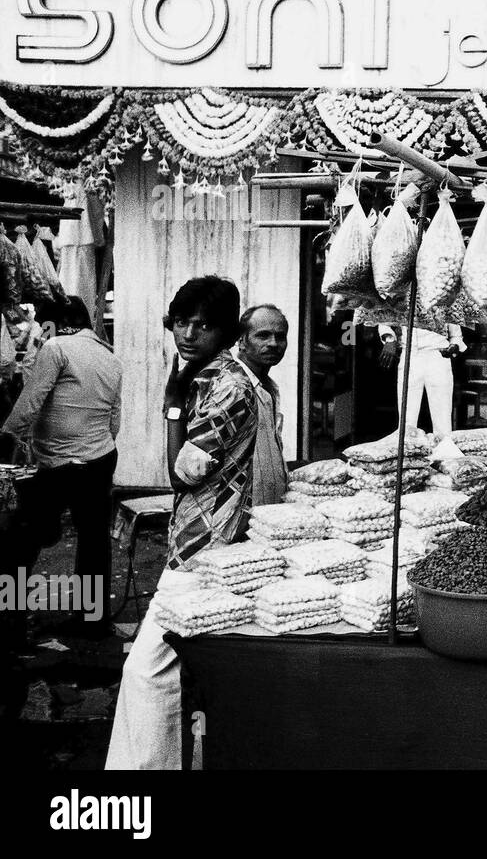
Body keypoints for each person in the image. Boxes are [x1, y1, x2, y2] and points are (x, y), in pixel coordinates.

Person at [107, 276, 257, 770]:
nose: (189, 334)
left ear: (228, 333)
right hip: (197, 540)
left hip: (207, 547)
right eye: (181, 323)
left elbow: (182, 472)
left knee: (148, 669)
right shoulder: (205, 377)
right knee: (175, 668)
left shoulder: (228, 387)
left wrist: (172, 403)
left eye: (204, 326)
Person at [0, 296, 122, 637]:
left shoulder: (56, 348)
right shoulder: (109, 356)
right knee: (93, 541)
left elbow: (32, 400)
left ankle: (11, 619)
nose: (42, 330)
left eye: (45, 323)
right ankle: (93, 621)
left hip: (59, 462)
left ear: (60, 322)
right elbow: (114, 418)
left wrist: (8, 434)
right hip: (99, 457)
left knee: (24, 539)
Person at [234, 304, 290, 507]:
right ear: (241, 341)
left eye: (280, 336)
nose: (274, 343)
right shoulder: (233, 387)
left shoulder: (269, 388)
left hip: (265, 513)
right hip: (237, 514)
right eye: (263, 336)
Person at [378, 320, 463, 440]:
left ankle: (444, 450)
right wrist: (389, 338)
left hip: (438, 355)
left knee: (442, 415)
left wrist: (454, 345)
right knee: (407, 416)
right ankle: (407, 451)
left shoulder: (445, 301)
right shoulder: (403, 301)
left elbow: (456, 335)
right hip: (409, 354)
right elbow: (383, 319)